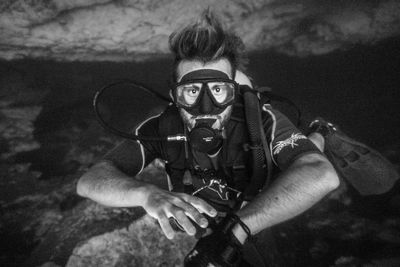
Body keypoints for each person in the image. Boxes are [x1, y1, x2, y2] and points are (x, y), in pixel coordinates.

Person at [76, 10, 342, 267]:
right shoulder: (162, 128)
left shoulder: (260, 120)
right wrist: (146, 194)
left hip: (261, 191)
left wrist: (236, 230)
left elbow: (321, 174)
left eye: (218, 90)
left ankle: (321, 132)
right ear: (174, 96)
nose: (206, 108)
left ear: (234, 94)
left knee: (306, 153)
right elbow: (90, 181)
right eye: (191, 90)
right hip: (217, 211)